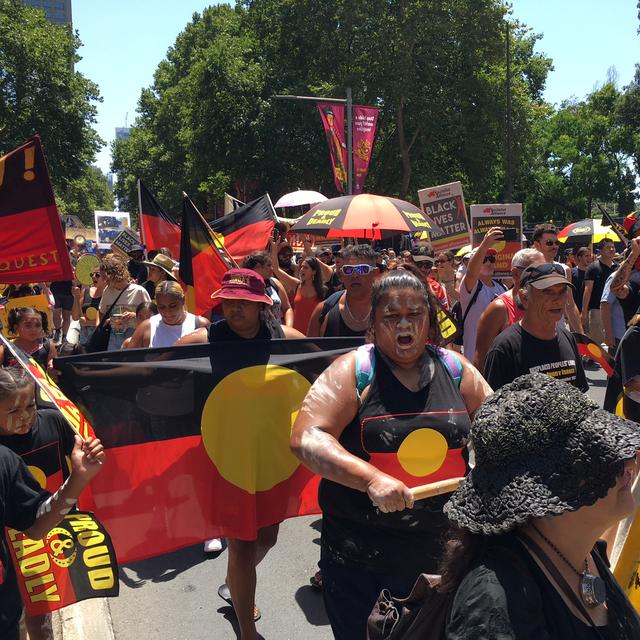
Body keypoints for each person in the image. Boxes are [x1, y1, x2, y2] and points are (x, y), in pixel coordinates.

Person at [290, 271, 491, 639]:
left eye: (415, 314)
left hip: (444, 555)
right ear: (374, 323)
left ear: (429, 319)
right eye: (392, 316)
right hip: (360, 560)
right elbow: (307, 438)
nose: (405, 325)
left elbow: (498, 427)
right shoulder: (354, 371)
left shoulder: (456, 368)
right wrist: (371, 480)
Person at [443, 373, 640, 639]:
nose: (629, 464)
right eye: (603, 456)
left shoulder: (586, 553)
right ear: (551, 486)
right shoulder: (495, 600)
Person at [177, 269, 303, 640]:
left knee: (267, 537)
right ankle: (247, 628)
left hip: (273, 458)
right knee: (243, 544)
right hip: (227, 461)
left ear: (262, 305)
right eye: (228, 301)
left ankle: (234, 582)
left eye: (243, 302)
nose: (233, 308)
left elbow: (329, 373)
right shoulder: (202, 341)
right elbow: (147, 367)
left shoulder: (288, 340)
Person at [0, 371, 105, 640]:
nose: (24, 416)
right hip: (11, 544)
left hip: (47, 530)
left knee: (41, 616)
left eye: (30, 406)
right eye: (12, 410)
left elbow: (82, 455)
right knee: (15, 614)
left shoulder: (54, 421)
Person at [484, 263, 588, 392]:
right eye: (547, 292)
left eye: (562, 291)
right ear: (525, 298)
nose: (557, 300)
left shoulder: (568, 337)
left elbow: (580, 395)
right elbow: (494, 407)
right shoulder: (505, 347)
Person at [473, 248, 544, 373]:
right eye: (536, 271)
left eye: (545, 270)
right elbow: (481, 359)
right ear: (516, 274)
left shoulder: (546, 304)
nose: (544, 276)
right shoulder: (499, 308)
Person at [306, 244, 378, 337]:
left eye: (362, 269)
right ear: (341, 275)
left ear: (375, 273)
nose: (354, 275)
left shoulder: (389, 309)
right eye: (348, 270)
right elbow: (311, 349)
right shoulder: (324, 310)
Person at [459, 228, 507, 358]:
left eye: (491, 259)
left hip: (500, 357)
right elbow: (471, 273)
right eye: (484, 259)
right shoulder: (470, 285)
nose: (488, 263)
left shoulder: (502, 287)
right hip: (476, 358)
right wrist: (485, 244)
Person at [532, 223, 584, 333]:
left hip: (559, 332)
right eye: (549, 243)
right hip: (534, 332)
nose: (554, 246)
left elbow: (570, 305)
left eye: (557, 243)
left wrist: (581, 336)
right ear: (537, 245)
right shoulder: (529, 270)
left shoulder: (565, 269)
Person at [125, 281, 208, 349]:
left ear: (183, 300)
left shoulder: (201, 325)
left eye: (173, 306)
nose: (167, 311)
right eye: (162, 307)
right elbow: (129, 363)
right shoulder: (146, 327)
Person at [97, 254, 151, 350]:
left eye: (105, 277)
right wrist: (107, 322)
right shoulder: (107, 291)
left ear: (112, 275)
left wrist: (134, 315)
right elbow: (102, 312)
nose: (104, 281)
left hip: (135, 337)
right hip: (114, 337)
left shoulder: (139, 291)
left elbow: (152, 317)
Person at [242, 251, 293, 326]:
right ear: (257, 267)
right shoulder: (244, 286)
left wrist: (288, 328)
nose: (272, 269)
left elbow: (287, 308)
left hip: (277, 334)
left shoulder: (274, 283)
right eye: (269, 265)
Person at [582, 239, 617, 344]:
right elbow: (588, 290)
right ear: (600, 251)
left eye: (613, 247)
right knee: (597, 345)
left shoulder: (618, 267)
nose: (611, 249)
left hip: (615, 311)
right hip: (597, 312)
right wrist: (584, 313)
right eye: (608, 247)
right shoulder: (593, 268)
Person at [71, 267, 106, 350]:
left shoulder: (109, 294)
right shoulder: (86, 291)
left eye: (97, 275)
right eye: (92, 274)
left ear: (105, 277)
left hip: (101, 337)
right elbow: (75, 317)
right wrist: (76, 297)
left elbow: (107, 320)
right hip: (84, 338)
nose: (93, 277)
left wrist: (88, 323)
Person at [571, 246, 593, 312]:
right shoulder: (572, 272)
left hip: (590, 310)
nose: (589, 258)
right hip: (576, 310)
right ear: (579, 257)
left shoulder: (593, 272)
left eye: (590, 256)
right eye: (586, 256)